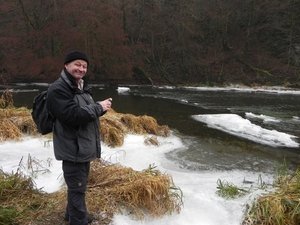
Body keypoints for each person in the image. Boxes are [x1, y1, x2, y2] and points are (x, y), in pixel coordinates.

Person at [46, 51, 112, 225]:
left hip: (83, 147)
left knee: (78, 186)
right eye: (77, 64)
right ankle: (78, 220)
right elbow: (71, 115)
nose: (81, 69)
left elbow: (85, 115)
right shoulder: (58, 89)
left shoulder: (81, 87)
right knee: (78, 188)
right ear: (66, 65)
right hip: (72, 149)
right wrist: (98, 107)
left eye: (84, 66)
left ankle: (72, 214)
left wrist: (101, 109)